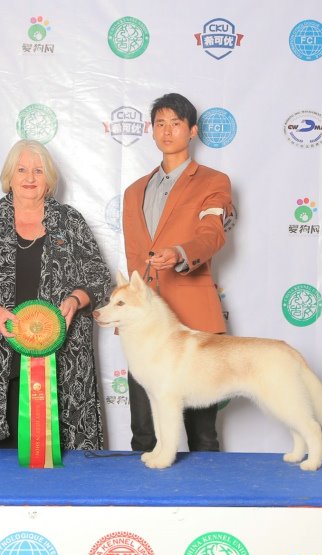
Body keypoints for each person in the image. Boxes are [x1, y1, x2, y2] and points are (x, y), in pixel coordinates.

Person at [0, 139, 111, 450]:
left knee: (61, 462)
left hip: (62, 364)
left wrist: (75, 300)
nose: (30, 178)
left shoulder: (69, 220)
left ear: (49, 179)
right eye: (21, 170)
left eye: (38, 171)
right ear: (9, 176)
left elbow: (98, 277)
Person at [121, 92, 234, 453]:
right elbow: (134, 258)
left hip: (194, 319)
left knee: (202, 436)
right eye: (160, 124)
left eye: (176, 123)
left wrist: (180, 253)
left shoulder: (214, 181)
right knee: (143, 433)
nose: (167, 131)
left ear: (193, 131)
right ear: (152, 131)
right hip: (144, 328)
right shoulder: (133, 191)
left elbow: (212, 234)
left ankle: (209, 491)